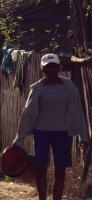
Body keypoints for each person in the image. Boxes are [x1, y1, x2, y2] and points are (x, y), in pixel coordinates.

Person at [12, 53, 89, 200]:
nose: (51, 70)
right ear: (42, 69)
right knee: (41, 170)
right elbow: (27, 114)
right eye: (47, 67)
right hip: (42, 133)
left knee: (60, 172)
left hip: (62, 134)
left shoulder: (68, 87)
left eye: (54, 66)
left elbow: (77, 111)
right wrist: (19, 139)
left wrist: (83, 136)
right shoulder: (38, 88)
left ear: (59, 67)